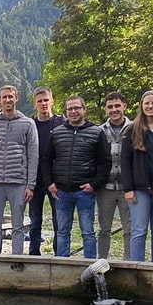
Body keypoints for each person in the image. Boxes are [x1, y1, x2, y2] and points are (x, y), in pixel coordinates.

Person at [0, 85, 39, 255]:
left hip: (18, 183)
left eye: (10, 97)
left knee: (18, 227)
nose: (7, 100)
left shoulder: (28, 124)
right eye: (4, 97)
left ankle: (17, 261)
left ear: (16, 98)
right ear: (0, 100)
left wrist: (30, 185)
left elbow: (33, 157)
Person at [49, 95, 108, 258]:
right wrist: (49, 183)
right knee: (62, 231)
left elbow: (105, 162)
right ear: (66, 112)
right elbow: (46, 160)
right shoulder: (57, 132)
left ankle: (89, 265)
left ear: (84, 109)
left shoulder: (96, 132)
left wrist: (95, 184)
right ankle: (62, 265)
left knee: (88, 231)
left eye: (77, 108)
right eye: (70, 109)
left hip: (85, 191)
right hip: (61, 191)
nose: (73, 112)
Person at [122, 91, 153, 262]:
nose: (150, 106)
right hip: (139, 188)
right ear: (141, 106)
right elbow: (124, 161)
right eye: (147, 103)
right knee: (139, 230)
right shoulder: (132, 129)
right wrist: (128, 188)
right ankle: (137, 266)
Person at [93, 92, 132, 259]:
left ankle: (129, 263)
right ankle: (101, 262)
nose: (114, 109)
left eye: (117, 105)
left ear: (124, 106)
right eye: (110, 107)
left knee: (129, 229)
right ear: (106, 109)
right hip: (105, 188)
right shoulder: (99, 131)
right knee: (104, 229)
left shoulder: (135, 128)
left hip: (128, 188)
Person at [26, 87, 64, 254]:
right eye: (40, 101)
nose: (43, 104)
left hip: (56, 180)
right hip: (35, 179)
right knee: (35, 220)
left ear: (52, 101)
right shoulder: (30, 124)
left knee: (59, 220)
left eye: (46, 100)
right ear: (35, 104)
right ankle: (34, 252)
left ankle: (59, 253)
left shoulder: (62, 123)